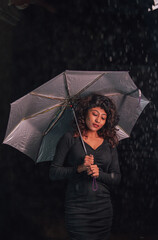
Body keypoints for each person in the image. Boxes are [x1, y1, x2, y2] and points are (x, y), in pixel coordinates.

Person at [49, 94, 121, 240]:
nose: (98, 120)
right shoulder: (70, 138)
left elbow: (117, 178)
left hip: (103, 209)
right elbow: (54, 172)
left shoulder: (109, 143)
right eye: (95, 114)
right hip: (77, 208)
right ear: (85, 112)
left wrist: (99, 174)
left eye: (103, 117)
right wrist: (79, 168)